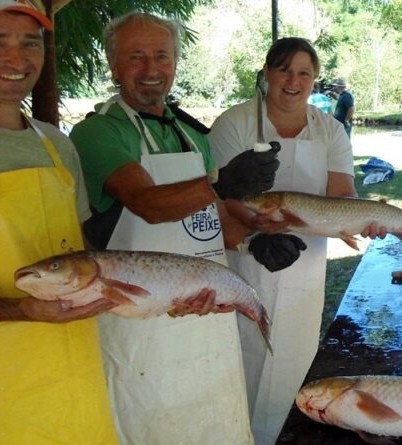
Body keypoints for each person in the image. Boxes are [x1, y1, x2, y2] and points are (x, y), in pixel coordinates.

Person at [69, 12, 279, 444]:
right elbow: (147, 204)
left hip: (205, 321)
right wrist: (221, 182)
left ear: (176, 62)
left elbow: (212, 222)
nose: (151, 70)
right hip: (141, 327)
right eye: (136, 57)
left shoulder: (192, 136)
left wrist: (255, 242)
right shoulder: (97, 133)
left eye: (161, 56)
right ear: (113, 65)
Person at [208, 37, 385, 445]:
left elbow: (341, 195)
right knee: (240, 361)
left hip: (305, 270)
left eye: (304, 73)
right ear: (267, 73)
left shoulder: (331, 130)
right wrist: (256, 235)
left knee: (289, 364)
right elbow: (224, 197)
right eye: (284, 70)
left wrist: (366, 218)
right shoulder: (234, 123)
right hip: (245, 260)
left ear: (314, 80)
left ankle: (269, 436)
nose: (293, 81)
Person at [0, 1, 119, 442]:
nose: (16, 59)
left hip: (76, 372)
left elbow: (81, 254)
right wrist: (20, 309)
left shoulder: (57, 145)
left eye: (30, 43)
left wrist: (169, 290)